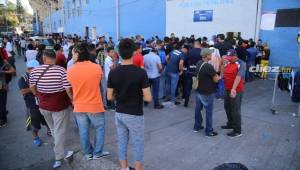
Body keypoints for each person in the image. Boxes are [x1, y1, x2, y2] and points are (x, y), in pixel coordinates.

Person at [107, 38, 152, 170]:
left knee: (122, 141)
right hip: (135, 113)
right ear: (134, 53)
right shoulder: (141, 73)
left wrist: (120, 95)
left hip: (119, 112)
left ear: (119, 53)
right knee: (137, 143)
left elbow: (109, 96)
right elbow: (148, 98)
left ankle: (124, 168)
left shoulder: (113, 72)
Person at [29, 49, 73, 169]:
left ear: (44, 59)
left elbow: (32, 87)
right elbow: (68, 89)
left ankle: (60, 150)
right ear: (55, 58)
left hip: (43, 106)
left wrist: (38, 96)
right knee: (59, 131)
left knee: (54, 129)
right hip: (59, 106)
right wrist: (73, 101)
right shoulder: (61, 71)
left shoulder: (35, 71)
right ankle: (59, 157)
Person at [67, 43, 110, 160]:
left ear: (77, 54)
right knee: (99, 129)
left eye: (73, 53)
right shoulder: (96, 67)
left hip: (79, 106)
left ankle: (87, 153)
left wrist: (73, 99)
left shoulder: (71, 70)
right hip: (95, 105)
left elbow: (69, 88)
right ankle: (97, 152)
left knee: (83, 131)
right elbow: (99, 82)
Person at [18, 60, 51, 146]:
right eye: (35, 69)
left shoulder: (40, 76)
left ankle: (49, 130)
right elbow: (23, 91)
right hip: (32, 105)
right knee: (35, 124)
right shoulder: (23, 78)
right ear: (29, 69)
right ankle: (35, 137)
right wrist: (34, 88)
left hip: (43, 102)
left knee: (47, 119)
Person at [193, 48, 220, 137]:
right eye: (210, 54)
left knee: (198, 110)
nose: (212, 55)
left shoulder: (198, 63)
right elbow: (216, 80)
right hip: (207, 92)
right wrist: (219, 76)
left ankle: (197, 126)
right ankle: (209, 131)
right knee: (209, 112)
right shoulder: (208, 66)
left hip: (199, 91)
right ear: (207, 56)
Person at [221, 49, 246, 137]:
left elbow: (239, 76)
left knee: (235, 110)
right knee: (227, 107)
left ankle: (237, 130)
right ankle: (230, 123)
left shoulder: (241, 64)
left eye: (230, 57)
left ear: (235, 56)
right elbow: (222, 74)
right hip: (227, 88)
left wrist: (233, 89)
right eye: (228, 57)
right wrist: (223, 64)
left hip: (236, 90)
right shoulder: (227, 62)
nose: (229, 59)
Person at [183, 39, 202, 107]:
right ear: (199, 44)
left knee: (188, 87)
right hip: (199, 72)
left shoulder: (189, 52)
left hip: (189, 71)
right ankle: (199, 104)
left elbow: (184, 61)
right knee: (199, 88)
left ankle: (186, 102)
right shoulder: (202, 52)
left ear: (195, 44)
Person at [0, 54, 16, 127]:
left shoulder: (3, 62)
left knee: (2, 104)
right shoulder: (3, 62)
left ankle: (3, 119)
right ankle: (3, 119)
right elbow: (13, 70)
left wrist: (3, 72)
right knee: (3, 104)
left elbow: (12, 70)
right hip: (3, 86)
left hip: (3, 86)